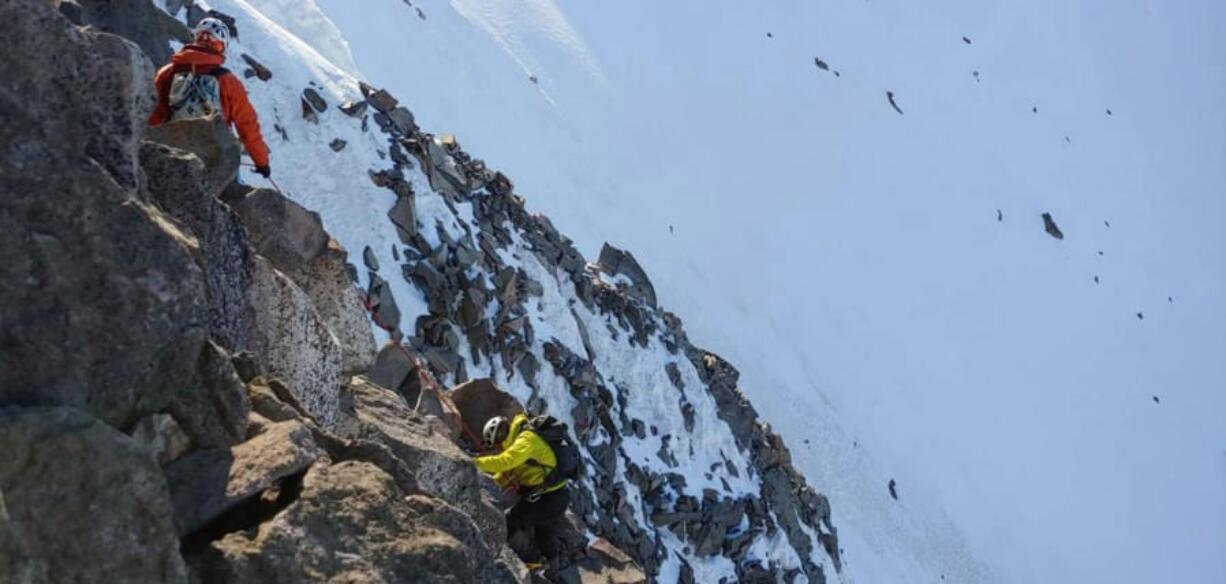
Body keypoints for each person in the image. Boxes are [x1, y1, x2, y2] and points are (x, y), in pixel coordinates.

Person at [149, 17, 270, 178]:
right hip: (215, 154)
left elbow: (152, 111)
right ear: (221, 47)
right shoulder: (227, 81)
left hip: (171, 146)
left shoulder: (168, 72)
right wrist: (262, 162)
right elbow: (247, 125)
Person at [475, 414, 571, 572]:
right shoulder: (520, 442)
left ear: (500, 438)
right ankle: (553, 572)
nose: (498, 449)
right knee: (544, 534)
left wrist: (475, 463)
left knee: (510, 521)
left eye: (497, 445)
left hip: (548, 498)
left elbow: (505, 461)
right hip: (556, 496)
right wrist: (484, 485)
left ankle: (533, 562)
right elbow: (506, 474)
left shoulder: (526, 440)